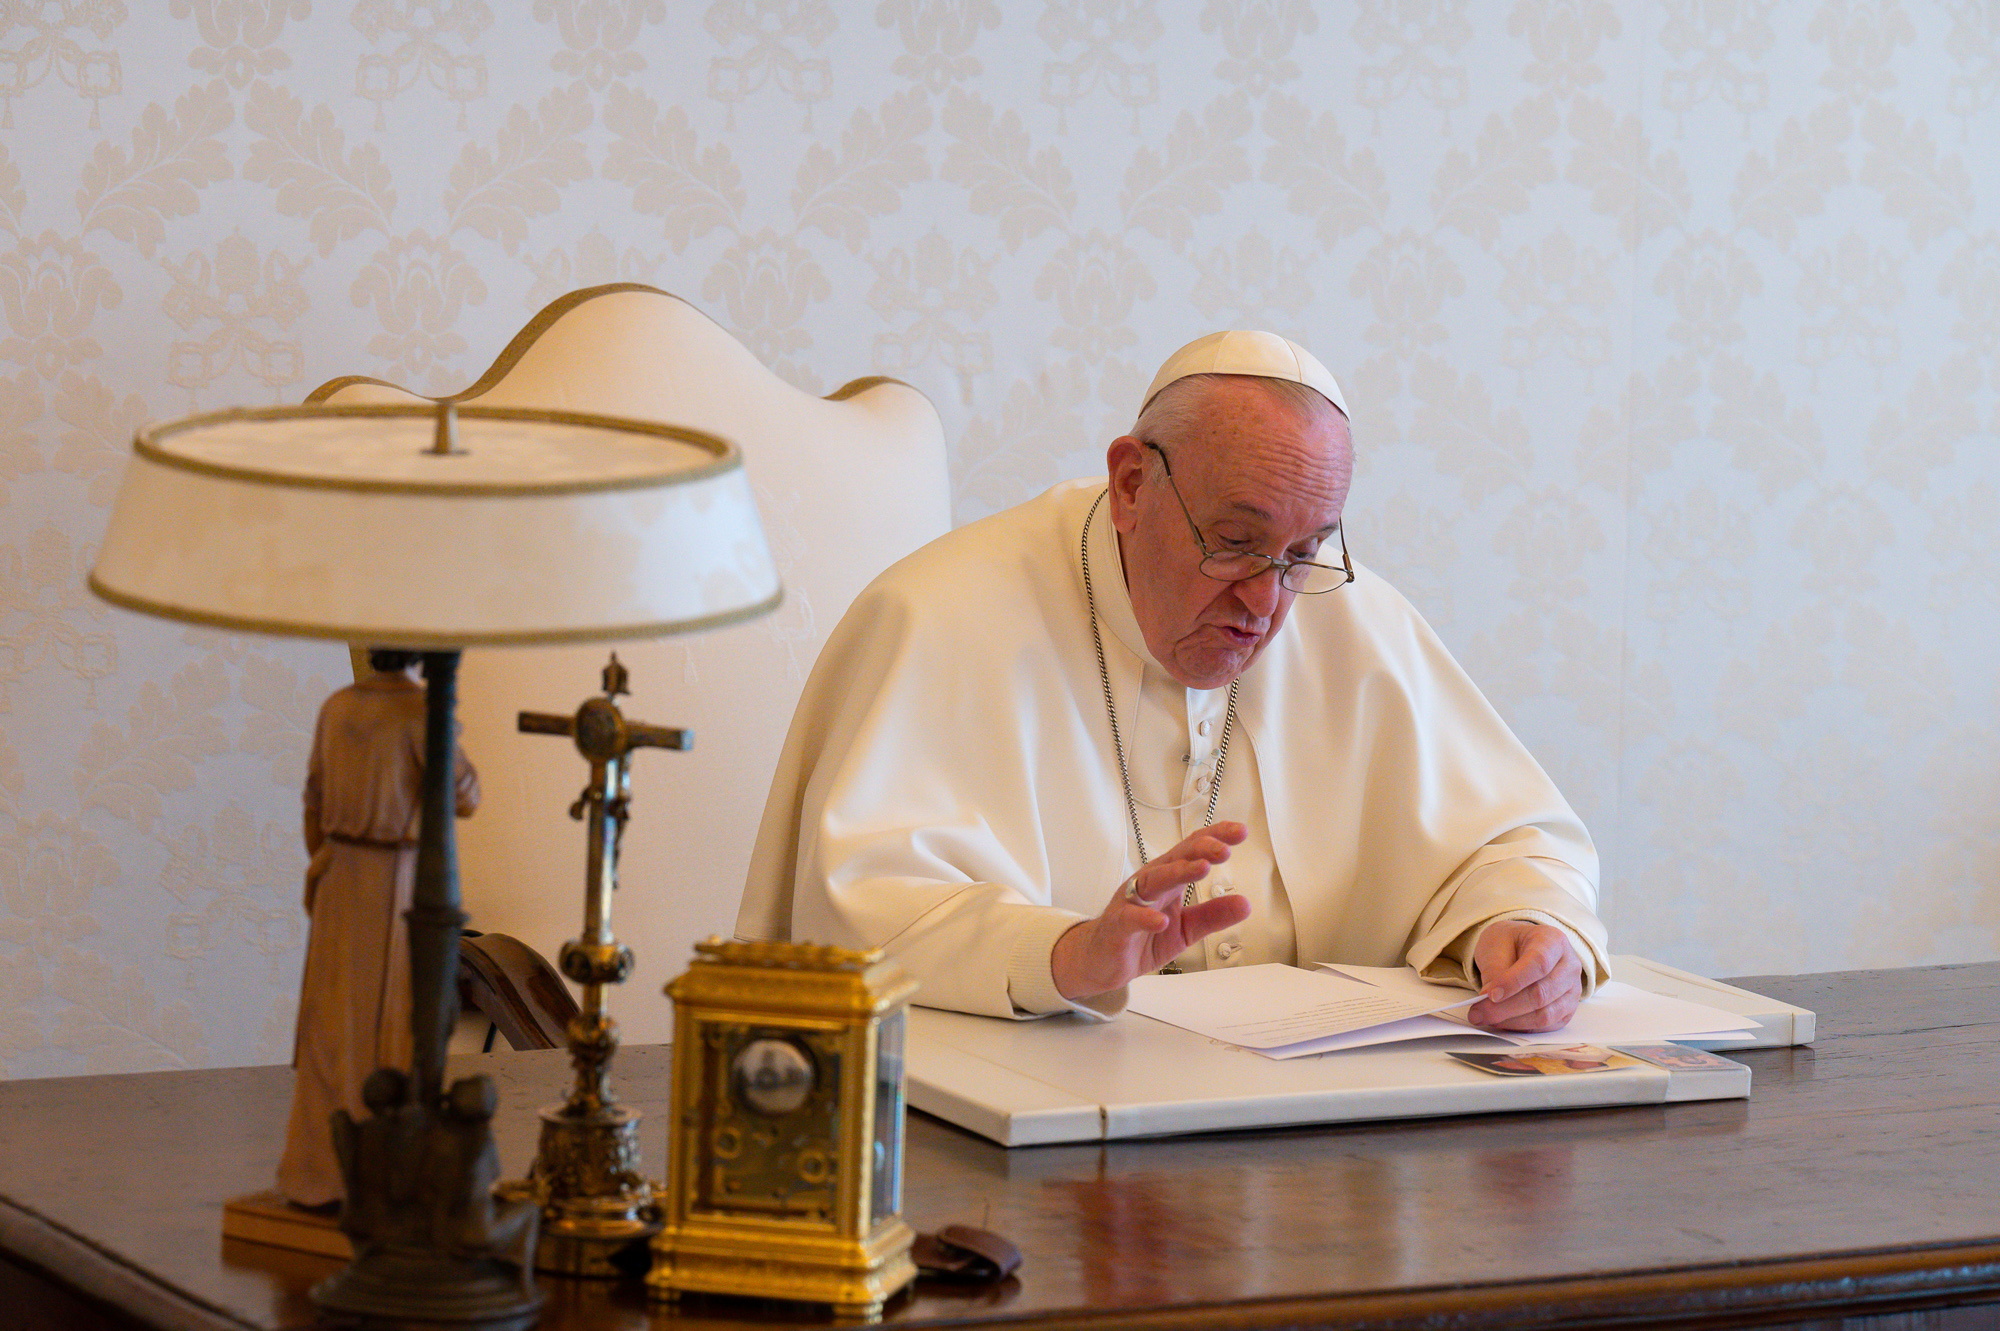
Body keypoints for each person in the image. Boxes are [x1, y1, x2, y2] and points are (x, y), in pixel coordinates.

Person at [738, 331, 1608, 1033]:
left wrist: (1521, 930)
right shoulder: (937, 615)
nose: (1267, 602)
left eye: (1304, 553)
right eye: (1234, 541)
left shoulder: (1352, 621)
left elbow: (1514, 843)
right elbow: (852, 914)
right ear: (1129, 484)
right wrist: (1064, 953)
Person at [278, 649, 480, 1209]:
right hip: (395, 879)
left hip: (340, 874)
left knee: (331, 1026)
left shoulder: (338, 706)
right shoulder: (420, 712)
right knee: (382, 1027)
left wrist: (328, 857)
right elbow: (465, 797)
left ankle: (317, 1170)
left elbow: (312, 801)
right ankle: (371, 1176)